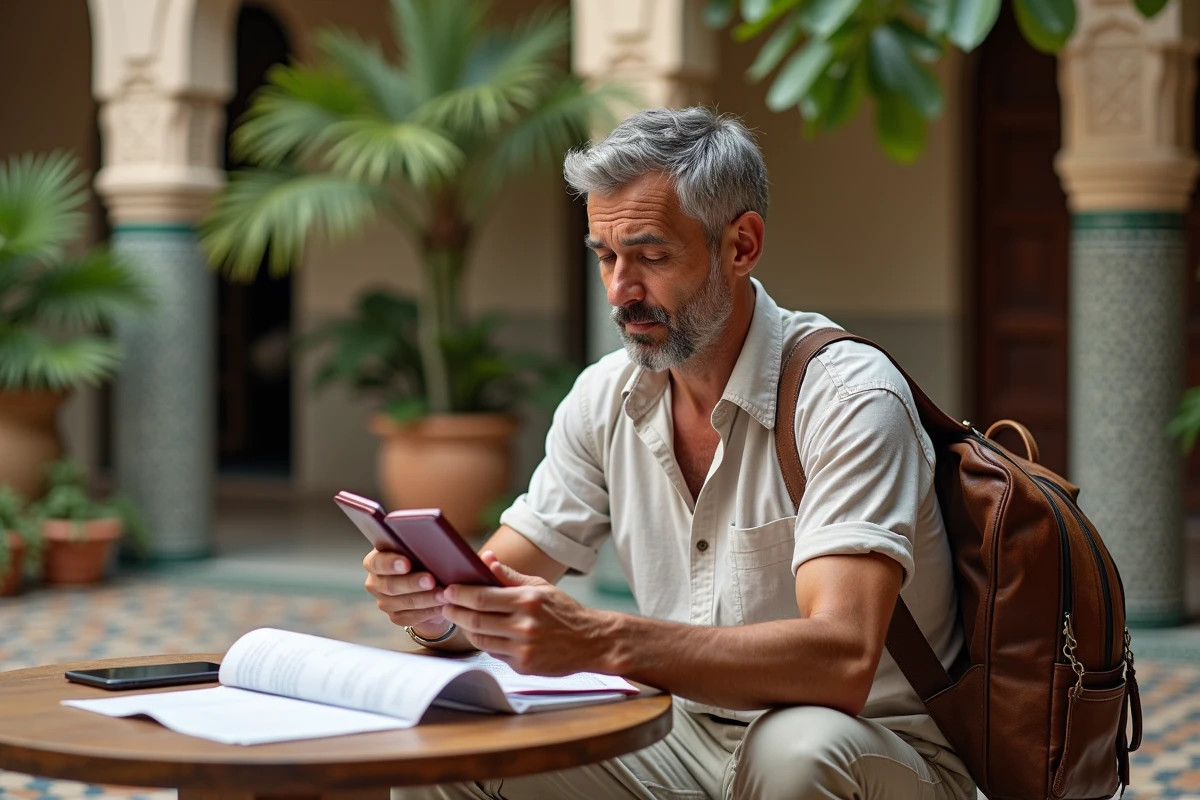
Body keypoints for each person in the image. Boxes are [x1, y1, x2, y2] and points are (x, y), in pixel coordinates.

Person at [366, 107, 974, 800]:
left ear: (741, 246)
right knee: (447, 745)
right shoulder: (605, 399)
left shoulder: (847, 396)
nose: (622, 291)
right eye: (605, 256)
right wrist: (434, 610)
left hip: (873, 747)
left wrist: (601, 640)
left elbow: (841, 660)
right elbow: (498, 579)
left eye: (651, 257)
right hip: (683, 737)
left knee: (794, 751)